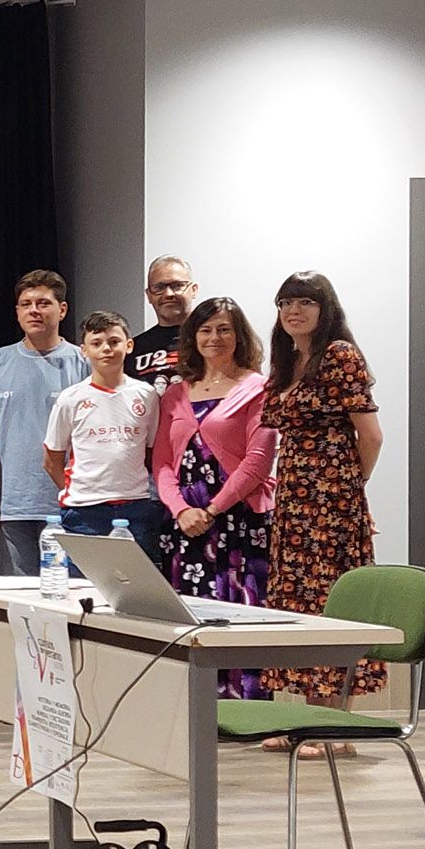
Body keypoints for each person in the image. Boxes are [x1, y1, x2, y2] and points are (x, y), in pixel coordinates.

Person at [260, 272, 385, 734]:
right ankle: (302, 718)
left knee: (330, 604)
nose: (294, 311)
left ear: (325, 307)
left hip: (331, 501)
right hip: (292, 500)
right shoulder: (290, 359)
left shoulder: (339, 355)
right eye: (285, 302)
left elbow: (370, 435)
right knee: (296, 605)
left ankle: (333, 725)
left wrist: (352, 486)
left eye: (305, 302)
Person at [152, 298, 276, 699]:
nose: (214, 338)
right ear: (193, 337)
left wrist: (212, 509)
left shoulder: (259, 389)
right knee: (192, 612)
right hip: (186, 524)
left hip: (239, 518)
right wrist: (182, 509)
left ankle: (248, 706)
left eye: (224, 329)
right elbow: (162, 464)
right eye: (205, 330)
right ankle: (199, 706)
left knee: (242, 608)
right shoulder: (174, 393)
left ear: (239, 335)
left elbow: (257, 462)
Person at [0, 270, 89, 575]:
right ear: (17, 312)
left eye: (43, 303)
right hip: (11, 504)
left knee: (68, 596)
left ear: (62, 309)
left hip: (68, 504)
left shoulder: (83, 362)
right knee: (19, 601)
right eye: (26, 304)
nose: (34, 311)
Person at [42, 311, 163, 548]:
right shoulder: (71, 398)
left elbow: (150, 452)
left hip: (135, 507)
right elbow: (51, 458)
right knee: (81, 584)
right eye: (96, 343)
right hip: (84, 510)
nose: (106, 349)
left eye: (114, 342)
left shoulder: (147, 395)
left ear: (129, 346)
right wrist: (79, 490)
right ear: (84, 350)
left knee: (134, 583)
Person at [126, 255, 197, 389]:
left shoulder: (212, 342)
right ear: (149, 295)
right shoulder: (132, 350)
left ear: (193, 290)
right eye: (159, 287)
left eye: (177, 285)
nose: (168, 294)